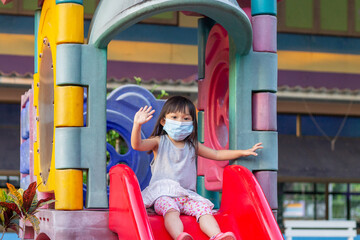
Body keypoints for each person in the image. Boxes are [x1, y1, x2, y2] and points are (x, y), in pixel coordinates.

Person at [131, 96, 263, 240]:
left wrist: (243, 152)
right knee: (171, 210)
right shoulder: (159, 142)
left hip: (187, 195)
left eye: (186, 118)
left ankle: (217, 236)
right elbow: (137, 145)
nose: (180, 122)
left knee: (204, 211)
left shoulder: (192, 146)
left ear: (192, 123)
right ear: (164, 121)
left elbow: (217, 154)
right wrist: (137, 125)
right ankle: (179, 236)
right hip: (164, 194)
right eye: (174, 117)